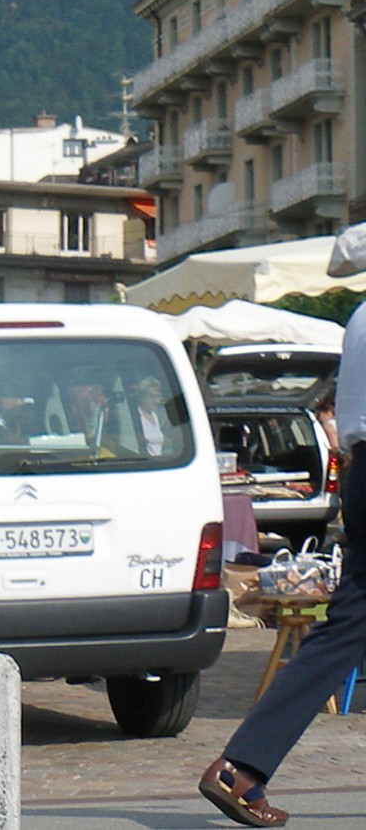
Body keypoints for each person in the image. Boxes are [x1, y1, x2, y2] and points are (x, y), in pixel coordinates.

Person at [199, 287, 366, 825]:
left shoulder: (361, 316)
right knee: (350, 626)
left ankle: (243, 767)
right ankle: (242, 766)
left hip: (361, 469)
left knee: (349, 627)